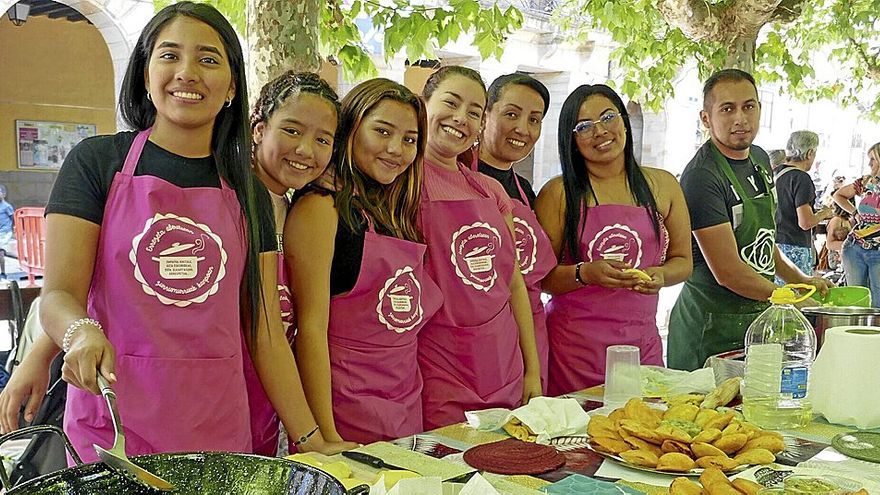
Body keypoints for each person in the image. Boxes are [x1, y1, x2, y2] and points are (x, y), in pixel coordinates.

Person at [0, 70, 355, 457]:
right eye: (291, 130)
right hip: (139, 399)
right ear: (258, 127)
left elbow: (272, 326)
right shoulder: (125, 168)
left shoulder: (303, 212)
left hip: (246, 403)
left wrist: (309, 434)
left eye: (322, 140)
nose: (305, 150)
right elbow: (89, 285)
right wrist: (39, 355)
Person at [6, 2, 272, 461]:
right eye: (169, 56)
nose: (187, 72)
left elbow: (263, 330)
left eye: (208, 59)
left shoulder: (251, 194)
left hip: (217, 425)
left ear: (231, 86)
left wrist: (312, 437)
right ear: (145, 74)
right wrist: (80, 333)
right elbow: (58, 295)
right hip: (113, 422)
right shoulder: (95, 163)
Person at [285, 78, 442, 444]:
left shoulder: (394, 212)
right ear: (351, 129)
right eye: (382, 132)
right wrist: (324, 434)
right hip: (345, 411)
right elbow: (310, 331)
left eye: (409, 139)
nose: (396, 149)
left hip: (404, 405)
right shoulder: (320, 208)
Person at [534, 84, 692, 394]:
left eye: (608, 117)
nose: (600, 132)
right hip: (573, 351)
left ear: (624, 121)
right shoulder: (557, 193)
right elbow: (543, 279)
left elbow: (684, 261)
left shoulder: (663, 185)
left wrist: (660, 275)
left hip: (641, 345)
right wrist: (585, 273)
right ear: (571, 138)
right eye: (584, 126)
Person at [668, 69, 830, 371]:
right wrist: (785, 297)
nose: (740, 118)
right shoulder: (702, 177)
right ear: (706, 118)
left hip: (753, 319)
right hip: (709, 328)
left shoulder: (758, 157)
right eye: (727, 109)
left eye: (749, 106)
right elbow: (728, 271)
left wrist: (801, 279)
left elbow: (764, 242)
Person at [417, 66, 542, 429]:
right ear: (423, 105)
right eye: (451, 103)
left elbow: (514, 284)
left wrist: (531, 370)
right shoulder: (400, 184)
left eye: (474, 112)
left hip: (502, 361)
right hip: (437, 365)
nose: (461, 119)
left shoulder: (490, 190)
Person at [477, 73, 556, 392]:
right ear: (485, 115)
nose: (523, 129)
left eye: (534, 119)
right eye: (511, 114)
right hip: (481, 337)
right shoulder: (457, 180)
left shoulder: (525, 190)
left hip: (532, 333)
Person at [774, 131, 833, 281]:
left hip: (774, 246)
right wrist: (824, 213)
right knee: (799, 297)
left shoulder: (775, 173)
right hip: (795, 247)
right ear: (810, 153)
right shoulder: (801, 178)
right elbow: (805, 222)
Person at [833, 142, 880, 307]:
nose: (870, 164)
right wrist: (854, 213)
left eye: (873, 159)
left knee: (877, 302)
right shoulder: (867, 181)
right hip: (855, 245)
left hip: (878, 249)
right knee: (856, 300)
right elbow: (838, 195)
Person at [0, 185, 13, 279]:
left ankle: (3, 273)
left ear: (4, 194)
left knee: (0, 252)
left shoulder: (7, 206)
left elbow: (13, 218)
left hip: (4, 232)